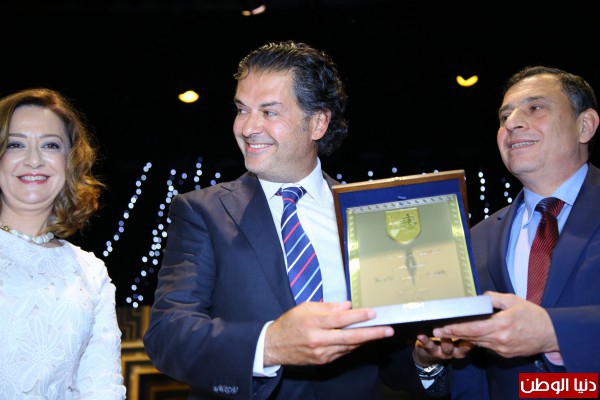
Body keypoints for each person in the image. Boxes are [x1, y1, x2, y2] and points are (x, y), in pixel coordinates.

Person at [143, 40, 449, 400]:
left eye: (269, 112)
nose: (248, 127)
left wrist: (424, 359)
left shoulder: (366, 213)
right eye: (242, 110)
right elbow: (168, 335)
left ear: (317, 122)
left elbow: (388, 355)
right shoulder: (202, 212)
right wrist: (269, 345)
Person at [418, 66, 600, 399]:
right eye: (504, 116)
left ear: (584, 125)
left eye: (535, 107)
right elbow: (471, 372)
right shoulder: (475, 240)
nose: (512, 123)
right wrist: (430, 361)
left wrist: (555, 332)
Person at [0, 88, 126, 398]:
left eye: (50, 145)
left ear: (70, 162)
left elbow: (102, 387)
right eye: (15, 144)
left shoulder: (91, 272)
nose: (33, 160)